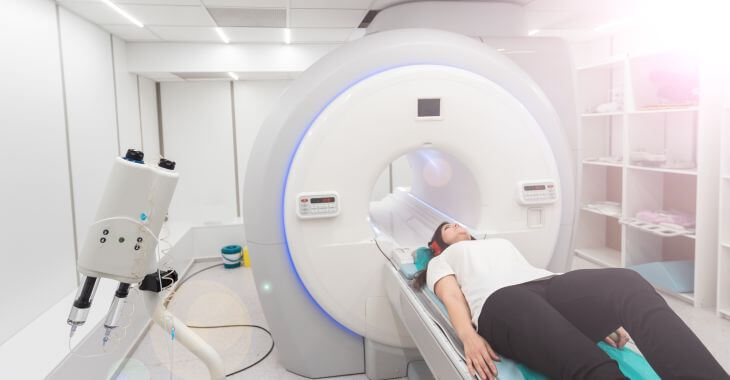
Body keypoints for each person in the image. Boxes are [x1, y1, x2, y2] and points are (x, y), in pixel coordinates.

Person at [412, 222, 728, 380]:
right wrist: (467, 337)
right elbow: (451, 296)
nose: (457, 225)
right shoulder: (444, 259)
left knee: (626, 283)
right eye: (447, 227)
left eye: (458, 222)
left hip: (549, 284)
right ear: (437, 244)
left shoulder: (499, 243)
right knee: (586, 357)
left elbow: (529, 272)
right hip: (502, 302)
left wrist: (595, 314)